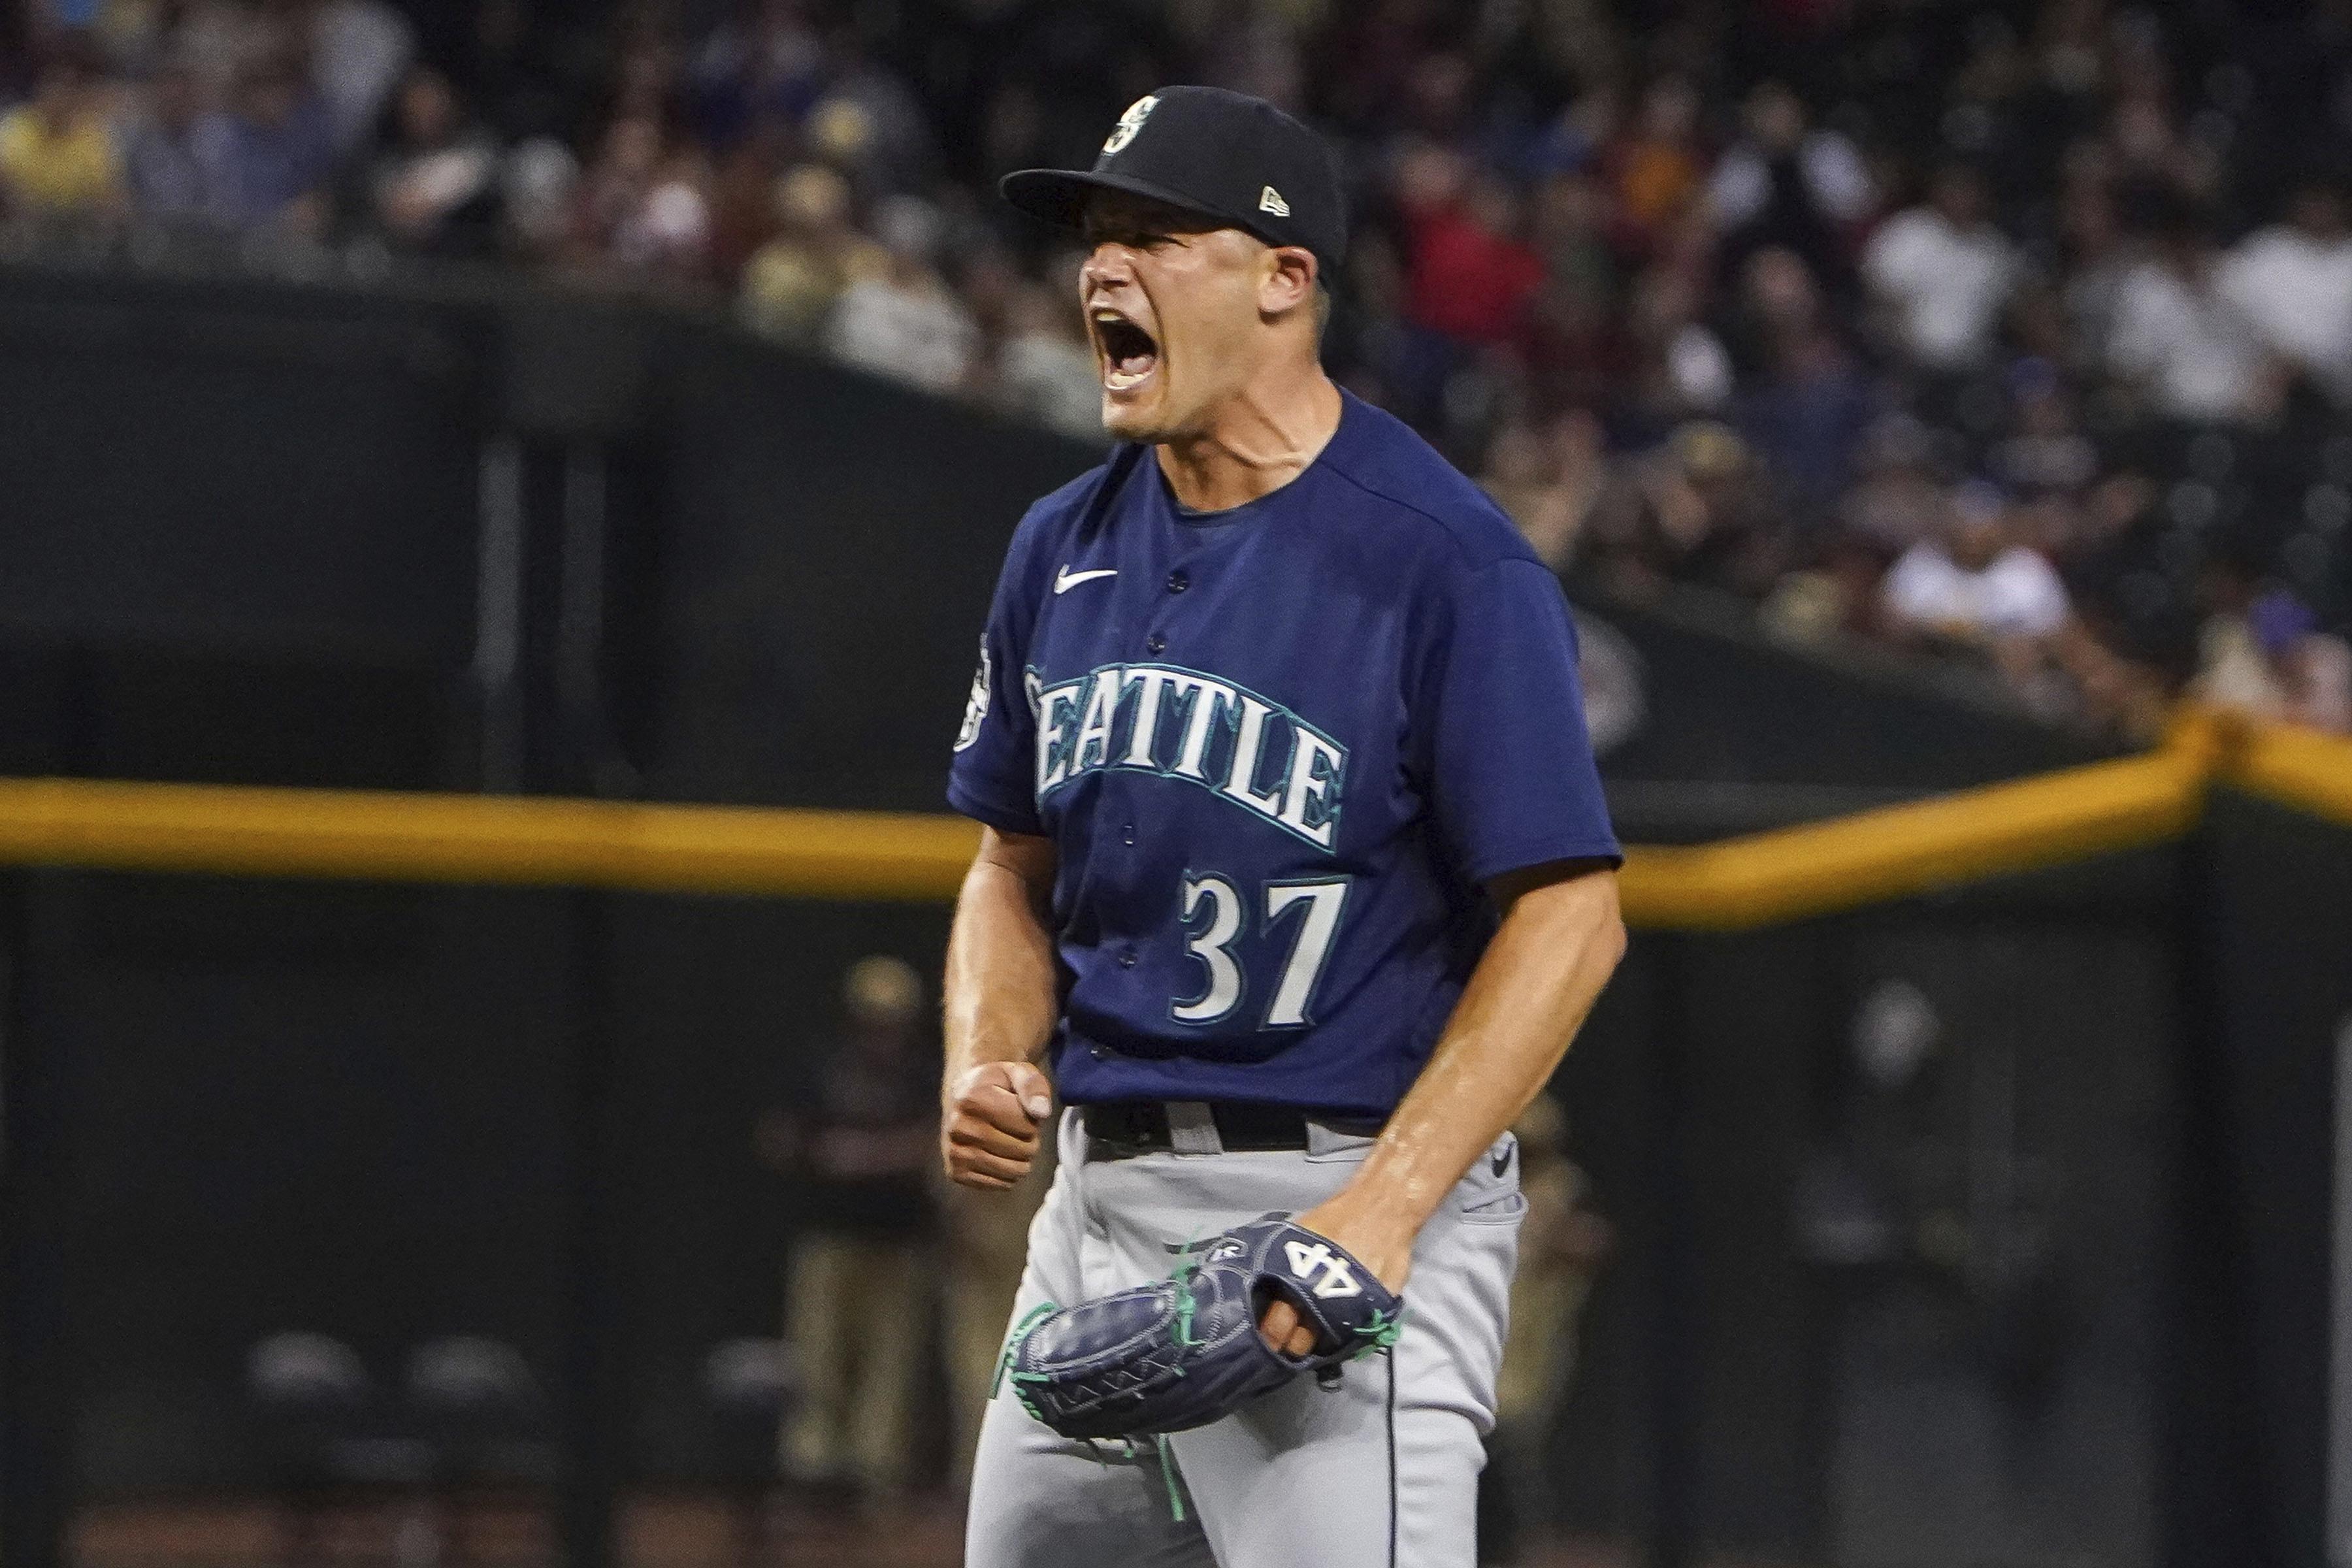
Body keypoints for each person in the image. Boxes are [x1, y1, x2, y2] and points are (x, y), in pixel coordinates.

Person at [941, 86, 1627, 1568]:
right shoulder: (1056, 546)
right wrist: (989, 1044)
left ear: (1282, 276)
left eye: (1151, 236)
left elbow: (1573, 912)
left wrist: (1381, 1211)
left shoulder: (1446, 560)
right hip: (1098, 1207)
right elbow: (1007, 859)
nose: (1099, 271)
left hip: (1334, 1206)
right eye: (1092, 241)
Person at [758, 955, 939, 1507]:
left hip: (899, 1238)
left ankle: (875, 1474)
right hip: (828, 1235)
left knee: (889, 1363)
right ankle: (811, 1469)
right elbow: (778, 1137)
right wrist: (816, 1154)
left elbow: (936, 1144)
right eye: (871, 1018)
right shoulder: (823, 1069)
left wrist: (865, 1156)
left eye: (892, 1020)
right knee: (817, 1355)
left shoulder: (923, 1076)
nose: (882, 1031)